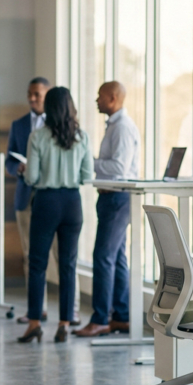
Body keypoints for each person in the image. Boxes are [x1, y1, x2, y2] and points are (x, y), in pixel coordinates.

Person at [18, 86, 93, 344]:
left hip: (46, 202)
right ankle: (64, 323)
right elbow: (87, 177)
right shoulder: (82, 137)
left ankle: (35, 323)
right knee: (68, 265)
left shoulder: (37, 136)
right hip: (72, 203)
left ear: (48, 108)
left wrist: (28, 169)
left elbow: (32, 177)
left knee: (37, 265)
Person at [5, 77, 80, 325]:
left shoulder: (44, 134)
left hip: (45, 199)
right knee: (37, 257)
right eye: (30, 94)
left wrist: (36, 170)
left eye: (38, 94)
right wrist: (18, 168)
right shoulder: (20, 125)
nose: (33, 98)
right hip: (46, 200)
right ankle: (50, 314)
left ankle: (64, 312)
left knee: (57, 259)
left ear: (49, 99)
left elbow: (36, 175)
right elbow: (10, 161)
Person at [74, 82, 140, 337]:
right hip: (113, 199)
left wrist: (88, 161)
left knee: (102, 257)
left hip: (117, 199)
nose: (96, 101)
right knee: (117, 258)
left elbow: (119, 169)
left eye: (100, 96)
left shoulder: (122, 128)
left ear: (112, 98)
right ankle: (122, 317)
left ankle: (100, 318)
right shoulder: (114, 125)